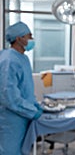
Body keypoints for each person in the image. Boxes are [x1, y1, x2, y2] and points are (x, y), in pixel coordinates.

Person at [0, 21, 43, 155]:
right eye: (29, 36)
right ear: (19, 39)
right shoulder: (9, 60)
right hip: (12, 118)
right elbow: (9, 97)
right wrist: (32, 111)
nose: (31, 40)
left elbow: (26, 88)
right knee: (11, 151)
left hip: (24, 114)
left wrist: (35, 105)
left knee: (23, 149)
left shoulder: (23, 58)